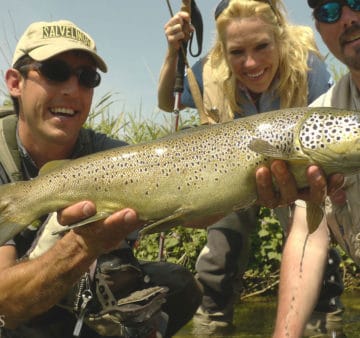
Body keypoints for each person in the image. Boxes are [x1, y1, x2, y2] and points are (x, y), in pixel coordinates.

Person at [0, 19, 202, 338]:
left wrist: (247, 192)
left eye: (86, 78)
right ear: (15, 82)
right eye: (54, 71)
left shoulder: (105, 153)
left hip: (70, 295)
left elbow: (195, 201)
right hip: (15, 309)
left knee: (177, 285)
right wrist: (87, 242)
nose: (71, 89)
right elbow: (4, 304)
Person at [158, 0, 339, 334]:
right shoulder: (208, 69)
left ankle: (323, 324)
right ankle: (212, 323)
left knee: (318, 254)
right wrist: (173, 54)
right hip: (232, 177)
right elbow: (167, 100)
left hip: (296, 174)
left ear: (280, 38)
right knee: (217, 260)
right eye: (237, 52)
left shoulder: (310, 67)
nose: (251, 62)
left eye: (262, 47)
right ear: (223, 52)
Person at [269, 0, 360, 337]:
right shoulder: (317, 119)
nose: (348, 18)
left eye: (356, 2)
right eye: (329, 11)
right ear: (319, 28)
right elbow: (309, 234)